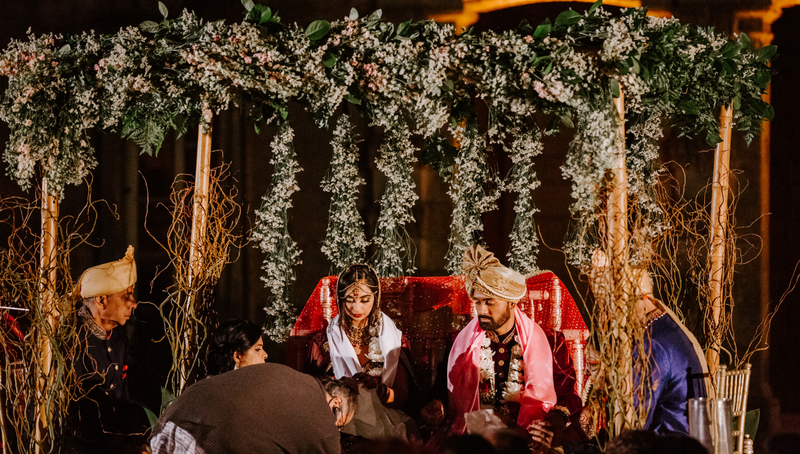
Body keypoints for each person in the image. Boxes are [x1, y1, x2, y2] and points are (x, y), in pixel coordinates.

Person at [589, 250, 710, 435]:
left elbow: (633, 419)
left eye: (609, 307)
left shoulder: (652, 344)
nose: (609, 317)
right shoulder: (664, 327)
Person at [446, 245, 557, 442]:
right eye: (478, 302)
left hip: (525, 438)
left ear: (512, 303)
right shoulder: (463, 343)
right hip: (475, 439)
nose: (481, 310)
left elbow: (567, 398)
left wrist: (549, 426)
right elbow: (446, 391)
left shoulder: (548, 340)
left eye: (489, 302)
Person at [309, 264, 419, 441]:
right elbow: (312, 396)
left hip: (385, 423)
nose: (356, 308)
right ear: (340, 299)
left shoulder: (394, 340)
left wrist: (378, 390)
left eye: (365, 299)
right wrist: (345, 389)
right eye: (350, 300)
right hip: (338, 426)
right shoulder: (323, 343)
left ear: (376, 298)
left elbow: (401, 399)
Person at [149, 363, 358, 454]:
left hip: (176, 416)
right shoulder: (323, 423)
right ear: (336, 403)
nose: (335, 431)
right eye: (339, 425)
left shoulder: (292, 377)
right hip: (208, 440)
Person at [67, 245, 148, 454]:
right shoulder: (72, 341)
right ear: (101, 300)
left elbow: (124, 398)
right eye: (126, 295)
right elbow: (77, 419)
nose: (134, 303)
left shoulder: (118, 339)